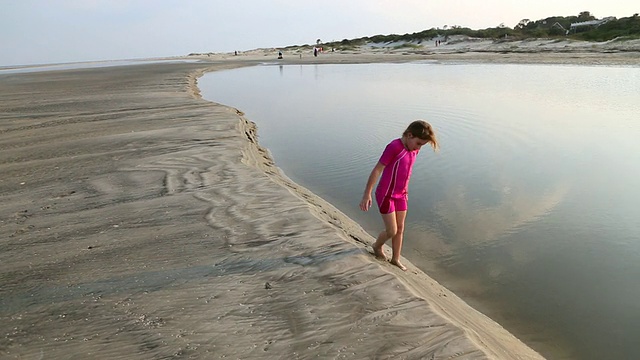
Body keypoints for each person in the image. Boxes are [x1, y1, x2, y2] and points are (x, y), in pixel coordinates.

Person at [359, 120, 439, 270]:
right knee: (392, 230)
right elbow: (378, 169)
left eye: (422, 145)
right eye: (419, 143)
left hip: (401, 195)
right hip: (386, 194)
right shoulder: (394, 147)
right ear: (409, 135)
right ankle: (377, 246)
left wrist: (404, 191)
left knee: (400, 228)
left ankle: (395, 259)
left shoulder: (413, 149)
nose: (419, 147)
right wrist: (367, 194)